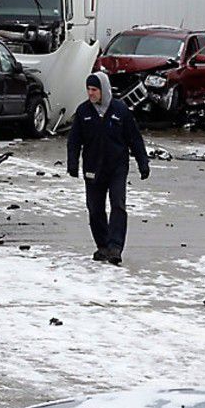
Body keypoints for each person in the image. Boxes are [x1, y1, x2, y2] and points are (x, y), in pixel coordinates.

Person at [66, 72, 150, 265]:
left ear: (103, 89)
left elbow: (134, 139)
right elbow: (74, 141)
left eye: (94, 90)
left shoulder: (120, 111)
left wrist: (143, 162)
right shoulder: (83, 112)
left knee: (118, 205)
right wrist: (72, 163)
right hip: (93, 167)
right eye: (88, 89)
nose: (90, 93)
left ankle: (115, 247)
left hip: (117, 167)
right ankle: (102, 245)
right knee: (95, 209)